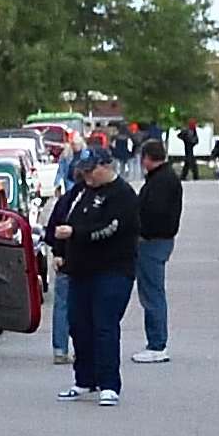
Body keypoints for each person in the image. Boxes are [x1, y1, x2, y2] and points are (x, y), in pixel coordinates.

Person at [48, 147, 142, 404]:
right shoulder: (81, 192)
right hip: (80, 270)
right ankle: (84, 379)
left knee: (105, 326)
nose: (87, 176)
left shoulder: (123, 195)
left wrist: (76, 234)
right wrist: (59, 250)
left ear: (105, 166)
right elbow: (63, 218)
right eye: (83, 171)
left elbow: (110, 228)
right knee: (79, 325)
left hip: (112, 270)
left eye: (91, 171)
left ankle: (109, 384)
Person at [128, 130, 184, 360]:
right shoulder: (164, 178)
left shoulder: (161, 182)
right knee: (152, 291)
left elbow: (155, 213)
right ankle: (156, 342)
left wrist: (140, 230)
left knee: (152, 293)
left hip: (153, 241)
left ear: (148, 158)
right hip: (158, 240)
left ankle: (157, 345)